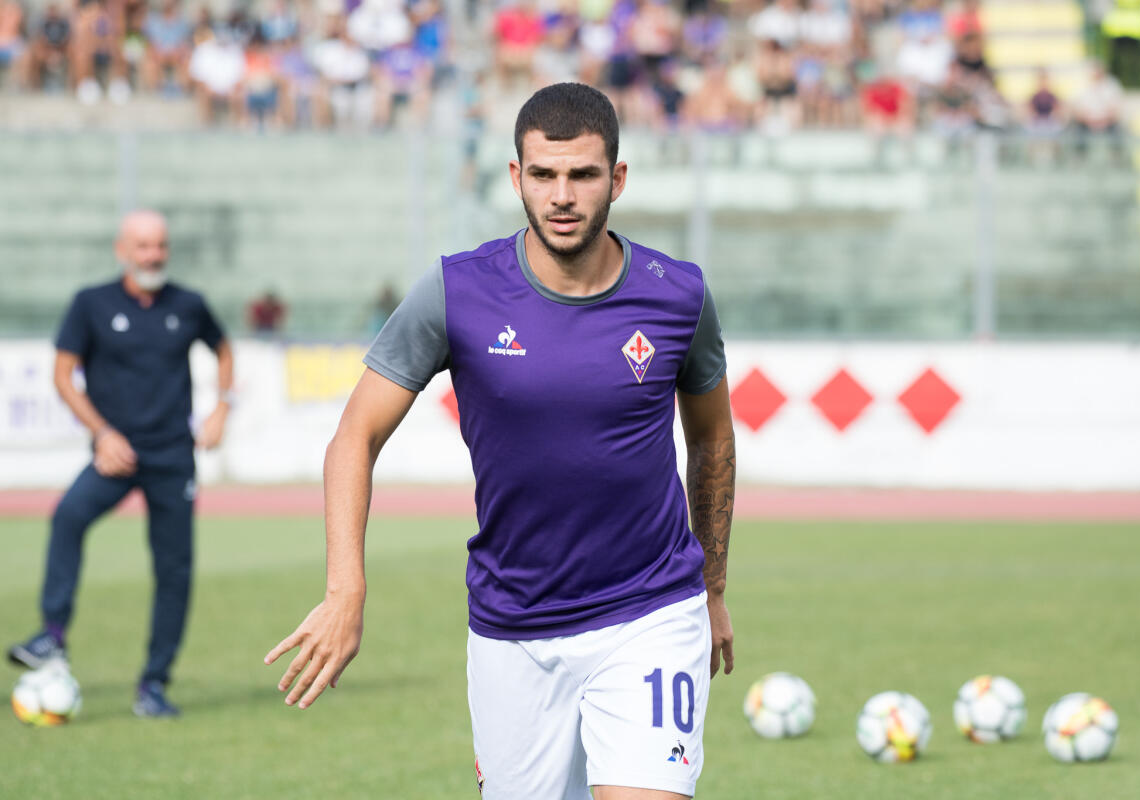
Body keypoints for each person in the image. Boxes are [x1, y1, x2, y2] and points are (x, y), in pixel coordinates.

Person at [266, 83, 736, 800]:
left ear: (617, 178)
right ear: (516, 177)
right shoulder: (458, 292)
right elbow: (354, 436)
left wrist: (711, 588)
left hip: (651, 613)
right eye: (543, 175)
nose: (563, 195)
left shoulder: (678, 295)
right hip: (513, 626)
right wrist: (345, 590)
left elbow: (712, 440)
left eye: (582, 174)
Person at [6, 210, 234, 718]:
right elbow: (64, 374)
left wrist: (223, 404)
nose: (152, 254)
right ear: (122, 249)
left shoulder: (188, 304)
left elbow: (223, 348)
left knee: (174, 571)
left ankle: (153, 683)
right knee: (68, 517)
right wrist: (102, 433)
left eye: (160, 246)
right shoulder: (91, 304)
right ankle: (53, 635)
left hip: (174, 456)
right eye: (143, 246)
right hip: (117, 454)